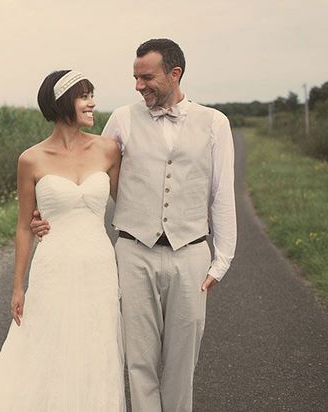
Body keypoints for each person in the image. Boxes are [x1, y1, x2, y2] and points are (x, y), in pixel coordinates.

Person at [32, 39, 237, 412]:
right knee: (138, 362)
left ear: (174, 74)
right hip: (132, 251)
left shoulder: (215, 123)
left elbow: (223, 195)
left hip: (190, 254)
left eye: (146, 77)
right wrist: (49, 209)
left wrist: (221, 260)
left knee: (181, 364)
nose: (138, 86)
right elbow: (84, 170)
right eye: (135, 78)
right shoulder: (122, 120)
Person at [0, 70, 126, 411]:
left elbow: (128, 205)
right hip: (53, 265)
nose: (92, 102)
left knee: (95, 345)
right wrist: (17, 286)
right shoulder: (31, 159)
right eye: (84, 96)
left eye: (91, 95)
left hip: (99, 265)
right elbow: (25, 226)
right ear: (62, 102)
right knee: (49, 344)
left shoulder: (109, 149)